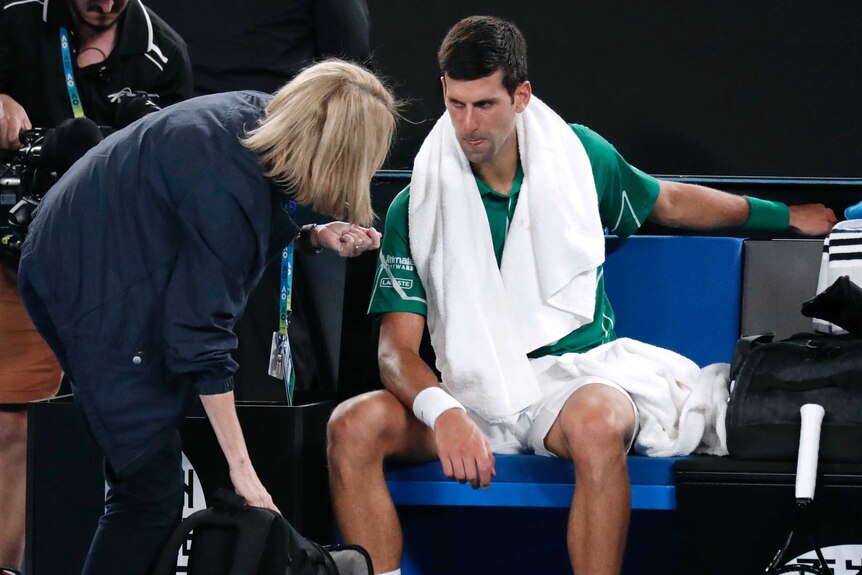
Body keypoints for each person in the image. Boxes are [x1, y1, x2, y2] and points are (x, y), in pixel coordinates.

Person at [326, 16, 838, 575]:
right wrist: (445, 413)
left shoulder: (579, 157)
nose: (467, 125)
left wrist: (784, 214)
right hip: (469, 389)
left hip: (572, 381)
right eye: (456, 104)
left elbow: (666, 200)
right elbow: (395, 352)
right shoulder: (417, 203)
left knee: (599, 422)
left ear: (521, 95)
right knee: (351, 427)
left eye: (485, 105)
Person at [17, 59, 397, 575]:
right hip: (88, 282)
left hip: (89, 249)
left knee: (149, 486)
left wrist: (313, 234)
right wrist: (243, 471)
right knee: (147, 493)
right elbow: (198, 336)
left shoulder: (256, 119)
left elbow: (242, 218)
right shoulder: (226, 186)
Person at [0, 1, 191, 572]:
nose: (103, 4)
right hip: (11, 257)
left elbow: (175, 173)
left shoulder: (165, 54)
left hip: (102, 271)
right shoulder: (13, 24)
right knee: (10, 426)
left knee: (57, 435)